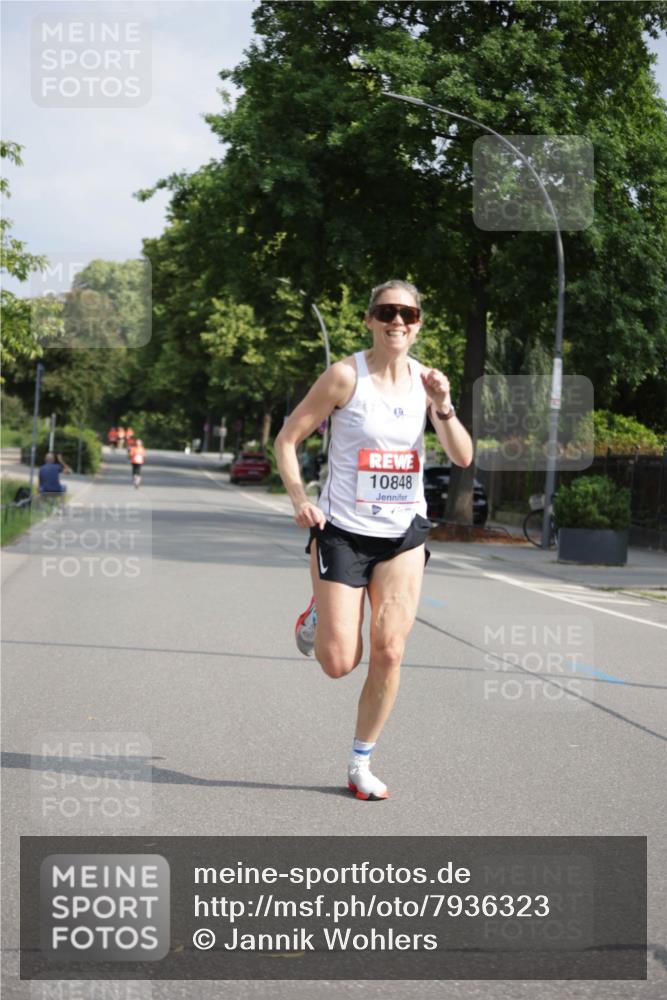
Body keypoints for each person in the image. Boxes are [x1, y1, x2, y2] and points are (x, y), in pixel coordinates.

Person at [275, 280, 473, 801]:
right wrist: (300, 499)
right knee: (340, 663)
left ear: (419, 322)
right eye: (387, 312)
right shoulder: (344, 377)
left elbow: (462, 456)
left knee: (390, 652)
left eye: (408, 313)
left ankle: (361, 761)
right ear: (369, 319)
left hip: (403, 534)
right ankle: (317, 617)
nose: (397, 321)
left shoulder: (427, 383)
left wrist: (445, 405)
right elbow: (288, 439)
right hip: (342, 531)